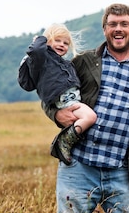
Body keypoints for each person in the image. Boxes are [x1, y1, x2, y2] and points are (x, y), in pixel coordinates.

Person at [42, 3, 129, 213]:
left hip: (122, 172)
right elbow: (50, 89)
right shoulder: (84, 62)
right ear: (104, 29)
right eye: (112, 24)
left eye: (124, 24)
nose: (118, 29)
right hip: (79, 167)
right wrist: (56, 114)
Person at [18, 24, 97, 165]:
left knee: (83, 123)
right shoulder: (43, 60)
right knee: (90, 117)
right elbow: (35, 51)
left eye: (66, 43)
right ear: (47, 42)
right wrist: (40, 39)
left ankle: (69, 142)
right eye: (57, 40)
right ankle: (64, 141)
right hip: (65, 101)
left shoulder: (64, 63)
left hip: (72, 100)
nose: (62, 45)